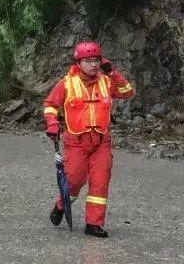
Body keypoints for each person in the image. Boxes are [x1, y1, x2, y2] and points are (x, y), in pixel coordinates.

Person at [43, 42, 135, 238]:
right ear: (79, 62)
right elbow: (50, 105)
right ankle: (61, 204)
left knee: (100, 181)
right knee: (74, 181)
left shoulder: (106, 82)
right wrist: (52, 124)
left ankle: (93, 224)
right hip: (76, 142)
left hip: (101, 142)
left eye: (96, 60)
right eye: (88, 61)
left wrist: (112, 72)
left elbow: (127, 91)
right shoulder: (67, 83)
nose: (93, 65)